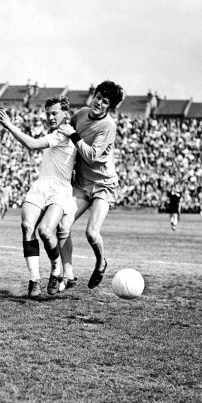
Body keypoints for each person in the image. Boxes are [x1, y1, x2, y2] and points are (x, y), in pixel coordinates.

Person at [0, 97, 77, 299]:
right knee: (26, 226)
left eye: (54, 113)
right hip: (42, 184)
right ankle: (34, 280)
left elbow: (31, 144)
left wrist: (9, 126)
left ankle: (56, 269)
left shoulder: (65, 134)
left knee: (46, 231)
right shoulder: (58, 134)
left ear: (66, 113)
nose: (50, 117)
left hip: (59, 188)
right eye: (48, 113)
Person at [57, 80, 125, 290]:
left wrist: (73, 134)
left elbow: (92, 156)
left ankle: (100, 262)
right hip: (81, 182)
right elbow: (65, 131)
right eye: (98, 97)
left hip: (103, 184)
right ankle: (68, 274)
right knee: (62, 226)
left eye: (105, 102)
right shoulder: (81, 114)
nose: (99, 103)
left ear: (109, 106)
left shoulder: (108, 126)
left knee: (91, 233)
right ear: (93, 96)